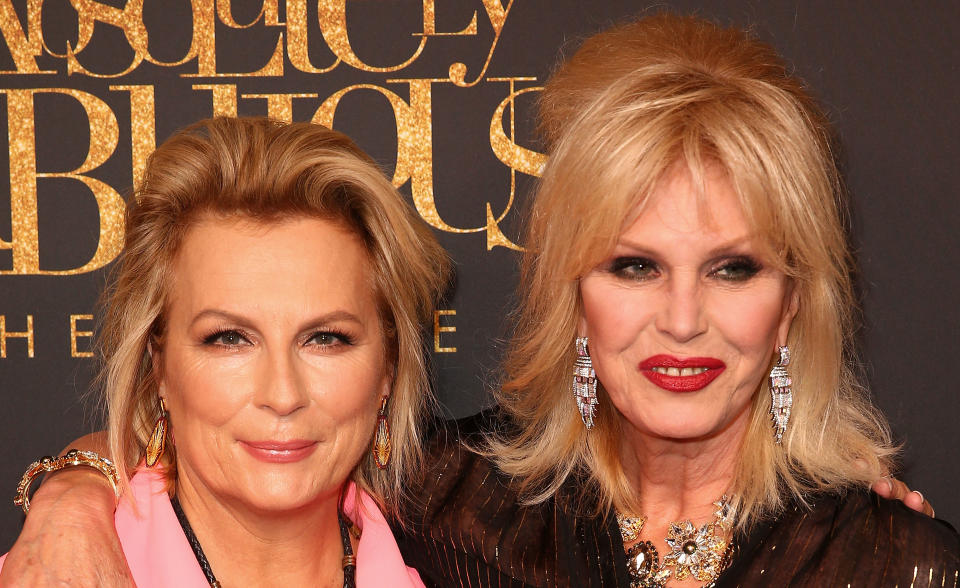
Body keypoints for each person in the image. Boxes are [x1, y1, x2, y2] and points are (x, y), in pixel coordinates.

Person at [1, 13, 955, 588]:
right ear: (570, 291)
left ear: (792, 303)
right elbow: (243, 444)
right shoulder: (455, 497)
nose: (682, 320)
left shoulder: (900, 563)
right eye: (632, 266)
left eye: (734, 269)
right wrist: (71, 502)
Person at [0, 117, 449, 587]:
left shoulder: (457, 566)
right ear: (160, 368)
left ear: (387, 371)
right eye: (229, 338)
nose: (282, 394)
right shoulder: (45, 572)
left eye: (326, 338)